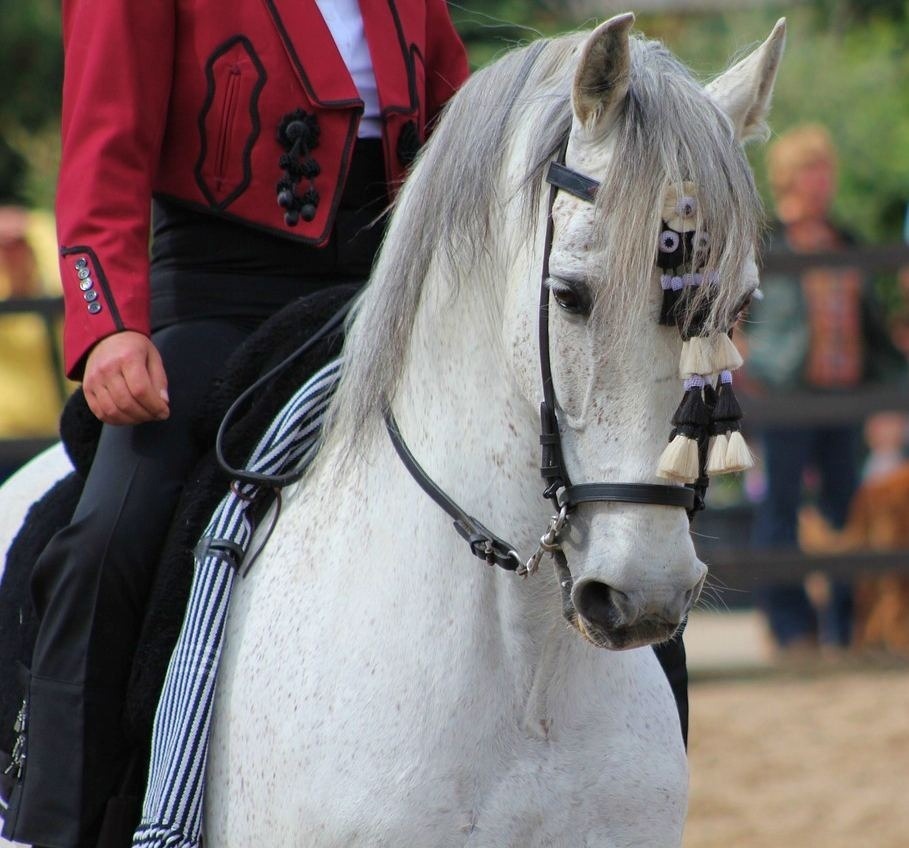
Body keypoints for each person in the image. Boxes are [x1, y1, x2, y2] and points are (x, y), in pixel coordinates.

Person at [0, 2, 468, 845]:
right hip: (221, 295)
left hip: (390, 296)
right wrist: (109, 324)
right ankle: (56, 819)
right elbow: (103, 150)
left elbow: (462, 133)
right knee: (109, 536)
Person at [745, 124, 906, 655]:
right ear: (791, 176)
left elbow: (874, 331)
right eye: (814, 169)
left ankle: (843, 627)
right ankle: (792, 630)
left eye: (828, 170)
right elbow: (734, 318)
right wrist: (752, 370)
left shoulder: (847, 240)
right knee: (781, 512)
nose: (823, 181)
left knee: (849, 513)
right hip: (785, 396)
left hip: (844, 400)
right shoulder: (766, 240)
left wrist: (887, 397)